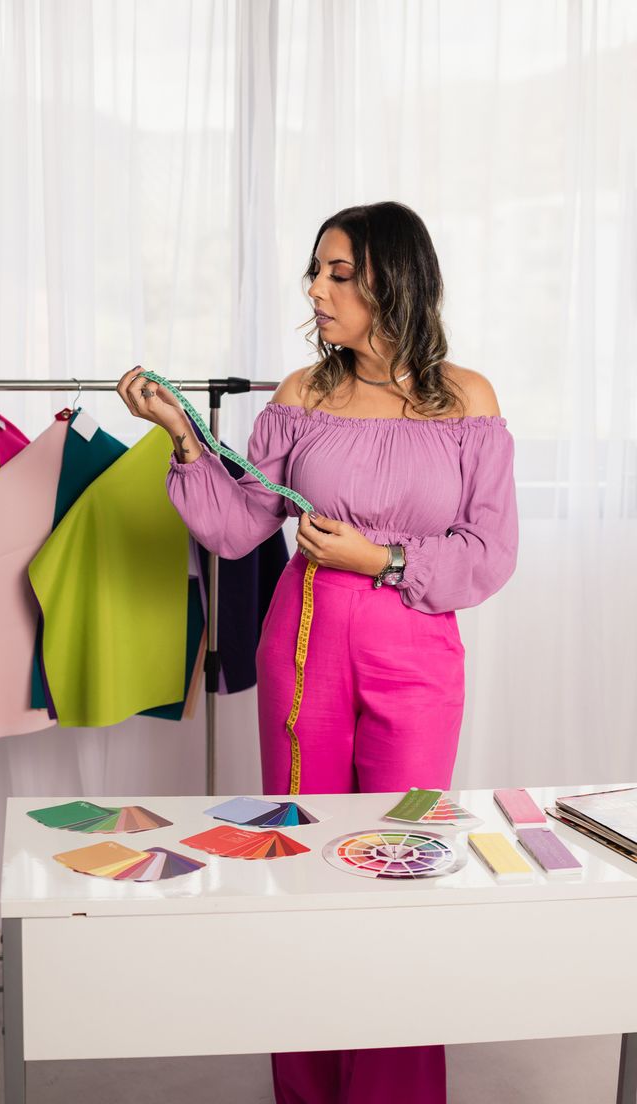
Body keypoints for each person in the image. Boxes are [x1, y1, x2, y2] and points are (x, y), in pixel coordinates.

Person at [116, 200, 518, 1104]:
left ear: (392, 280)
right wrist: (181, 435)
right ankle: (306, 1092)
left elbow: (491, 554)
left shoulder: (468, 401)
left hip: (418, 660)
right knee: (299, 867)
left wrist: (380, 557)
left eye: (339, 273)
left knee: (399, 868)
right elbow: (234, 527)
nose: (316, 289)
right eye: (317, 272)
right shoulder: (301, 395)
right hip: (303, 652)